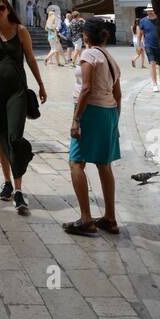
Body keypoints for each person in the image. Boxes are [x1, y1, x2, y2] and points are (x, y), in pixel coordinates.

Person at [0, 0, 47, 215]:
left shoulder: (20, 30)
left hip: (17, 90)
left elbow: (32, 59)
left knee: (15, 138)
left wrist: (41, 84)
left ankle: (18, 189)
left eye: (1, 7)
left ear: (8, 9)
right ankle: (8, 182)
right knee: (0, 136)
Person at [63, 18, 121, 236]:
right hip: (108, 112)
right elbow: (118, 94)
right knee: (104, 164)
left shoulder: (88, 55)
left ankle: (86, 218)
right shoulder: (110, 58)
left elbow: (86, 89)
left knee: (76, 162)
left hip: (90, 112)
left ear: (86, 36)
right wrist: (115, 121)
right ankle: (110, 218)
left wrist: (76, 119)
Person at [139, 5, 160, 91]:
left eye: (151, 10)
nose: (149, 12)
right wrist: (140, 45)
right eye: (148, 11)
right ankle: (154, 84)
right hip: (149, 45)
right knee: (152, 63)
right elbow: (141, 34)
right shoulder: (143, 21)